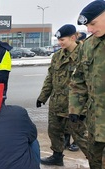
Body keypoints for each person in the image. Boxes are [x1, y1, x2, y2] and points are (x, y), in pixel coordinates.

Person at [37, 24, 89, 166]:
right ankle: (57, 156)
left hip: (76, 105)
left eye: (63, 40)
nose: (60, 43)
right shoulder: (57, 56)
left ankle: (96, 161)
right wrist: (43, 96)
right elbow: (50, 78)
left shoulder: (84, 54)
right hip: (57, 103)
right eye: (58, 40)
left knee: (79, 136)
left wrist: (84, 109)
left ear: (73, 37)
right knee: (54, 131)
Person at [70, 1, 105, 168]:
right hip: (95, 124)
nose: (89, 29)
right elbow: (78, 80)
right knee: (95, 163)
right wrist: (75, 109)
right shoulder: (88, 46)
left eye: (93, 23)